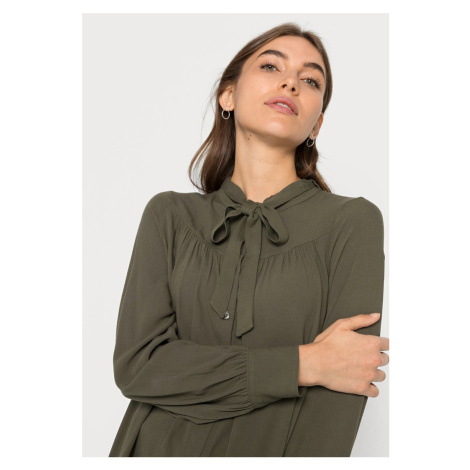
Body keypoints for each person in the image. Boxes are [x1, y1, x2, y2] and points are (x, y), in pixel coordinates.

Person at [108, 22, 389, 457]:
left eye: (311, 80)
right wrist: (302, 365)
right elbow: (138, 367)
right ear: (228, 95)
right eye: (271, 66)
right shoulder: (169, 215)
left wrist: (193, 373)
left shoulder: (353, 223)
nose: (290, 82)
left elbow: (342, 392)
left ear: (317, 124)